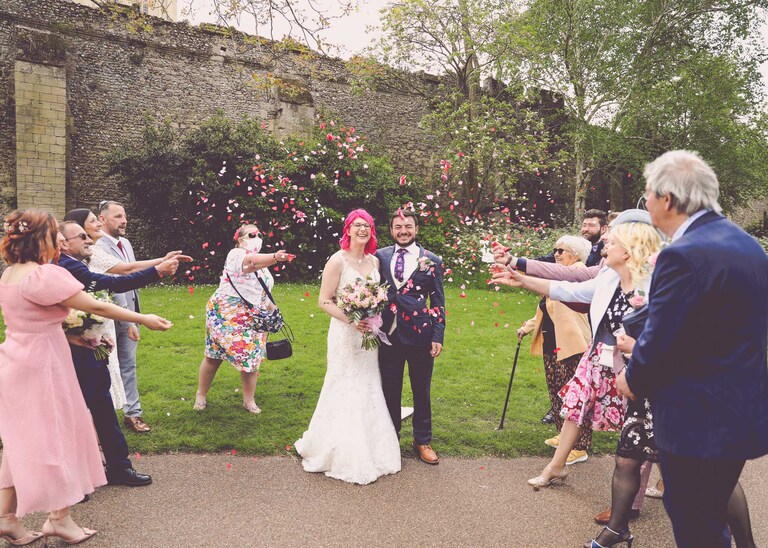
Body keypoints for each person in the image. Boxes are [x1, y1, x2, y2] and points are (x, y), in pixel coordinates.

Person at [616, 150, 768, 547]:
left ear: (667, 198)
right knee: (708, 515)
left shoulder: (684, 254)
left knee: (695, 524)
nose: (646, 203)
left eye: (648, 194)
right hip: (738, 411)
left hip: (697, 419)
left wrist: (631, 377)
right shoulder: (749, 246)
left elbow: (662, 338)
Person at [0, 209, 171, 545]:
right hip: (44, 365)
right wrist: (143, 317)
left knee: (23, 441)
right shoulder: (45, 275)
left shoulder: (10, 274)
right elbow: (98, 306)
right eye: (55, 235)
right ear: (42, 239)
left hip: (16, 359)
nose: (60, 241)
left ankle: (7, 518)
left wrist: (73, 336)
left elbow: (33, 318)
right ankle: (59, 519)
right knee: (56, 437)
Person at [492, 219, 662, 498]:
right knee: (574, 407)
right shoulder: (608, 278)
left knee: (647, 423)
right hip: (598, 356)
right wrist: (522, 279)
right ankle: (555, 466)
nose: (605, 243)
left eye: (613, 240)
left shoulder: (653, 287)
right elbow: (567, 290)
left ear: (629, 251)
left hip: (633, 364)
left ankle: (660, 485)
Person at [58, 220, 177, 487]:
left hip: (84, 344)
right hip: (72, 354)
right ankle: (99, 470)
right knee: (89, 409)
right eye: (83, 236)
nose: (90, 239)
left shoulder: (67, 264)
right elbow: (108, 284)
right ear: (63, 243)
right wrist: (156, 273)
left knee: (97, 406)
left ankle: (111, 466)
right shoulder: (66, 266)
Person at [295, 209, 401, 484]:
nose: (363, 230)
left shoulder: (375, 263)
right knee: (343, 383)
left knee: (368, 382)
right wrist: (351, 320)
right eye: (358, 225)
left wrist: (371, 315)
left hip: (369, 335)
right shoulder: (337, 260)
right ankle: (336, 446)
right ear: (349, 230)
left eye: (367, 226)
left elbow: (379, 297)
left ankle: (372, 443)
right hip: (345, 334)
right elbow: (323, 300)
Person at [64, 207, 191, 410]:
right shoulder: (80, 257)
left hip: (101, 315)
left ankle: (111, 416)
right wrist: (159, 269)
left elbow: (127, 267)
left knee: (110, 368)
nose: (98, 225)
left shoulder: (89, 251)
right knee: (101, 372)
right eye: (93, 221)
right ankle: (106, 418)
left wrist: (162, 261)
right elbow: (124, 273)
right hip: (95, 314)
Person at [193, 224, 292, 414]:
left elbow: (263, 291)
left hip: (253, 316)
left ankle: (249, 400)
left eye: (259, 234)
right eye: (252, 234)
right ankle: (201, 395)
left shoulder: (264, 268)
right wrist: (275, 257)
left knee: (252, 359)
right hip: (226, 313)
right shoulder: (235, 254)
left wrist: (274, 311)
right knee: (213, 356)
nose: (257, 237)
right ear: (240, 239)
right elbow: (250, 263)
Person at [376, 209, 446, 464]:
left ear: (416, 229)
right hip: (386, 335)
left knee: (421, 390)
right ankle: (390, 436)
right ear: (391, 230)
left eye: (408, 227)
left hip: (420, 336)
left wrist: (437, 335)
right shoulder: (379, 256)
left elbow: (437, 299)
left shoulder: (432, 260)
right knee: (389, 389)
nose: (402, 231)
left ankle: (422, 440)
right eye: (397, 227)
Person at [517, 235, 592, 465]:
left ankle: (580, 447)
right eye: (556, 250)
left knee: (575, 396)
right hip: (554, 342)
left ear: (576, 254)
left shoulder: (580, 276)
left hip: (574, 344)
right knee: (557, 391)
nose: (557, 254)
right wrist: (528, 326)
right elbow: (546, 308)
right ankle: (564, 435)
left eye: (562, 250)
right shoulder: (561, 275)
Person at [96, 200, 151, 433]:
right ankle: (102, 417)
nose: (124, 220)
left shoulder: (126, 243)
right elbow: (114, 285)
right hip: (106, 317)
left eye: (124, 215)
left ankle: (133, 413)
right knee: (106, 368)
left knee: (129, 365)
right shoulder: (95, 246)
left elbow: (131, 278)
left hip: (130, 311)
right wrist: (129, 320)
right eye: (118, 216)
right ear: (102, 219)